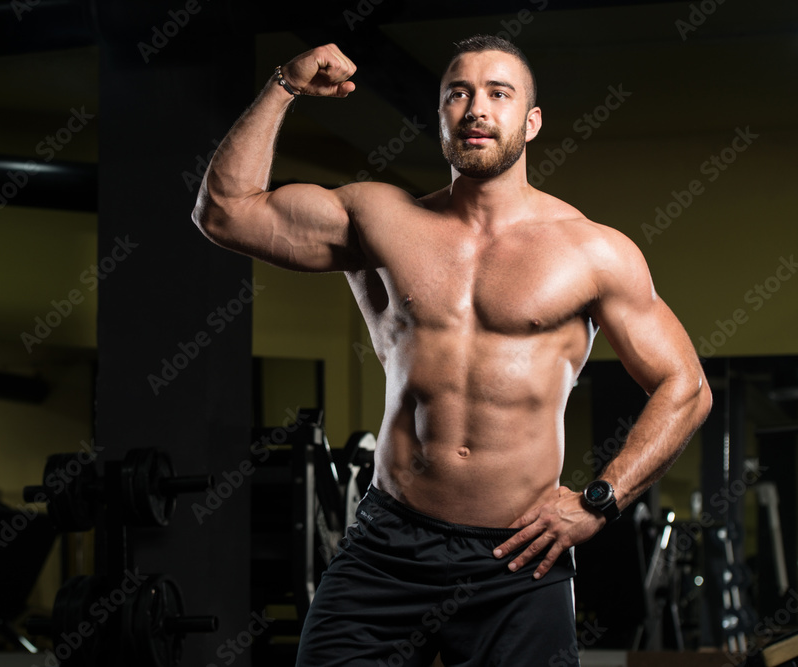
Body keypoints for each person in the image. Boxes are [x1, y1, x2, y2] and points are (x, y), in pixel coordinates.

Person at [192, 35, 712, 667]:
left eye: (499, 93)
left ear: (532, 120)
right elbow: (224, 213)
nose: (476, 109)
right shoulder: (379, 217)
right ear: (440, 114)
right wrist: (285, 84)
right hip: (388, 545)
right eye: (458, 93)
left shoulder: (593, 251)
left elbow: (685, 386)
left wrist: (598, 503)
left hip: (519, 557)